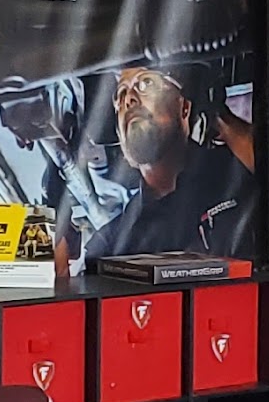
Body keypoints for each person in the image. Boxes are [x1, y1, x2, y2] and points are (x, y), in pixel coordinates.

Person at [83, 63, 255, 262]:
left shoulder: (234, 173)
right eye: (120, 95)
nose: (129, 99)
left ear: (184, 108)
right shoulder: (114, 242)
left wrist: (218, 114)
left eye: (147, 83)